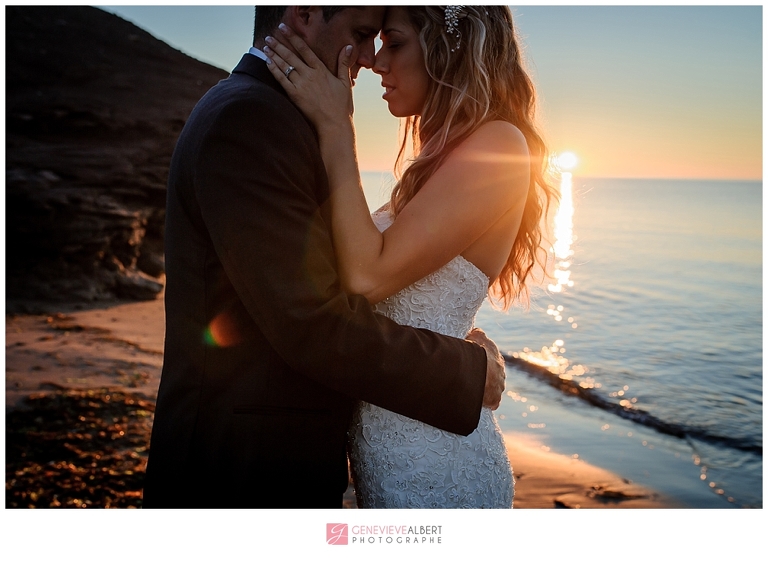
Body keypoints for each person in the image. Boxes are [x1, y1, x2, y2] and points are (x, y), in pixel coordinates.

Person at [142, 5, 507, 509]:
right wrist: (464, 373)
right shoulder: (249, 119)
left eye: (386, 41)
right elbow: (311, 324)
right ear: (305, 12)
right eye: (361, 35)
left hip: (301, 461)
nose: (368, 59)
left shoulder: (274, 114)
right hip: (238, 472)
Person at [263, 6, 557, 508]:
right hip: (395, 454)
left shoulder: (499, 145)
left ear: (450, 49)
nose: (376, 61)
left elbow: (366, 275)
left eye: (394, 43)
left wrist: (336, 126)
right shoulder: (439, 160)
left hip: (441, 467)